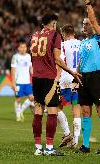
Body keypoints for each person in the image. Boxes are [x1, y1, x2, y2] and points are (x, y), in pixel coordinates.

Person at [30, 12, 81, 156]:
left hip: (36, 77)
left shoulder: (34, 36)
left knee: (38, 110)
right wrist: (72, 72)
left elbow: (33, 58)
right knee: (53, 111)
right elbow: (58, 60)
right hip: (49, 78)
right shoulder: (54, 35)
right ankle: (50, 148)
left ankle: (38, 148)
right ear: (53, 23)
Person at [75, 0, 100, 154]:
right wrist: (76, 74)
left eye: (86, 24)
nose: (84, 26)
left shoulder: (99, 38)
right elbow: (80, 61)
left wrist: (87, 2)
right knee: (85, 111)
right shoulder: (82, 43)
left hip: (96, 77)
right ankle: (86, 146)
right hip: (84, 78)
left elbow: (94, 19)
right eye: (83, 24)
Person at [57, 24, 81, 149]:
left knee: (55, 108)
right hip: (78, 80)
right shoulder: (81, 44)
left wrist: (56, 79)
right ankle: (75, 142)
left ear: (64, 34)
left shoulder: (63, 45)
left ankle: (67, 133)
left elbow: (59, 63)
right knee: (76, 110)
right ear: (73, 33)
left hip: (65, 80)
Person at [11, 39, 34, 122]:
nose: (23, 49)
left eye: (24, 47)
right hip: (18, 82)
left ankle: (21, 111)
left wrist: (34, 76)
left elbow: (31, 68)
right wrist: (13, 82)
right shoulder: (15, 57)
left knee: (32, 98)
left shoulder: (28, 56)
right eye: (21, 47)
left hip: (27, 82)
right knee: (18, 99)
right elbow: (13, 70)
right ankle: (18, 116)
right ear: (18, 48)